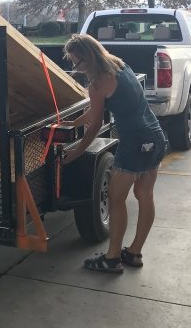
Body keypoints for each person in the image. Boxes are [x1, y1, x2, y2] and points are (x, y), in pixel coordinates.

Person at [62, 33, 167, 273]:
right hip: (155, 137)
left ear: (88, 57)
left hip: (134, 144)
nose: (76, 68)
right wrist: (74, 123)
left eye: (77, 62)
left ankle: (111, 258)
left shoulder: (97, 83)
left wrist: (76, 153)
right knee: (144, 194)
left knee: (116, 198)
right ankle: (134, 253)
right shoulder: (120, 65)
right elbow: (96, 111)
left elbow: (96, 125)